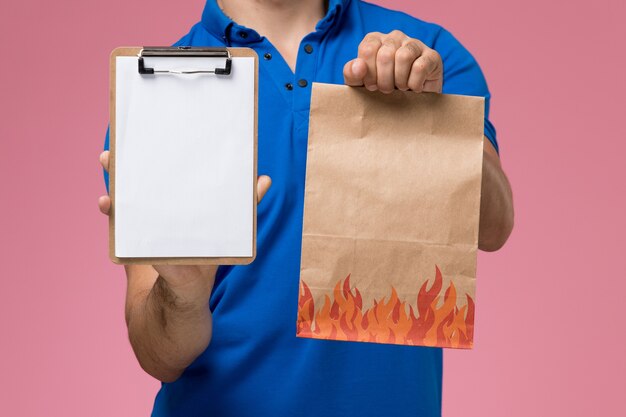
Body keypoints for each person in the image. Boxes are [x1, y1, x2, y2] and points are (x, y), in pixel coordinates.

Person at [98, 0, 514, 415]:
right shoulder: (155, 94)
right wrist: (183, 293)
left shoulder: (425, 51)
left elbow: (493, 227)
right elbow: (159, 357)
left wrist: (435, 117)